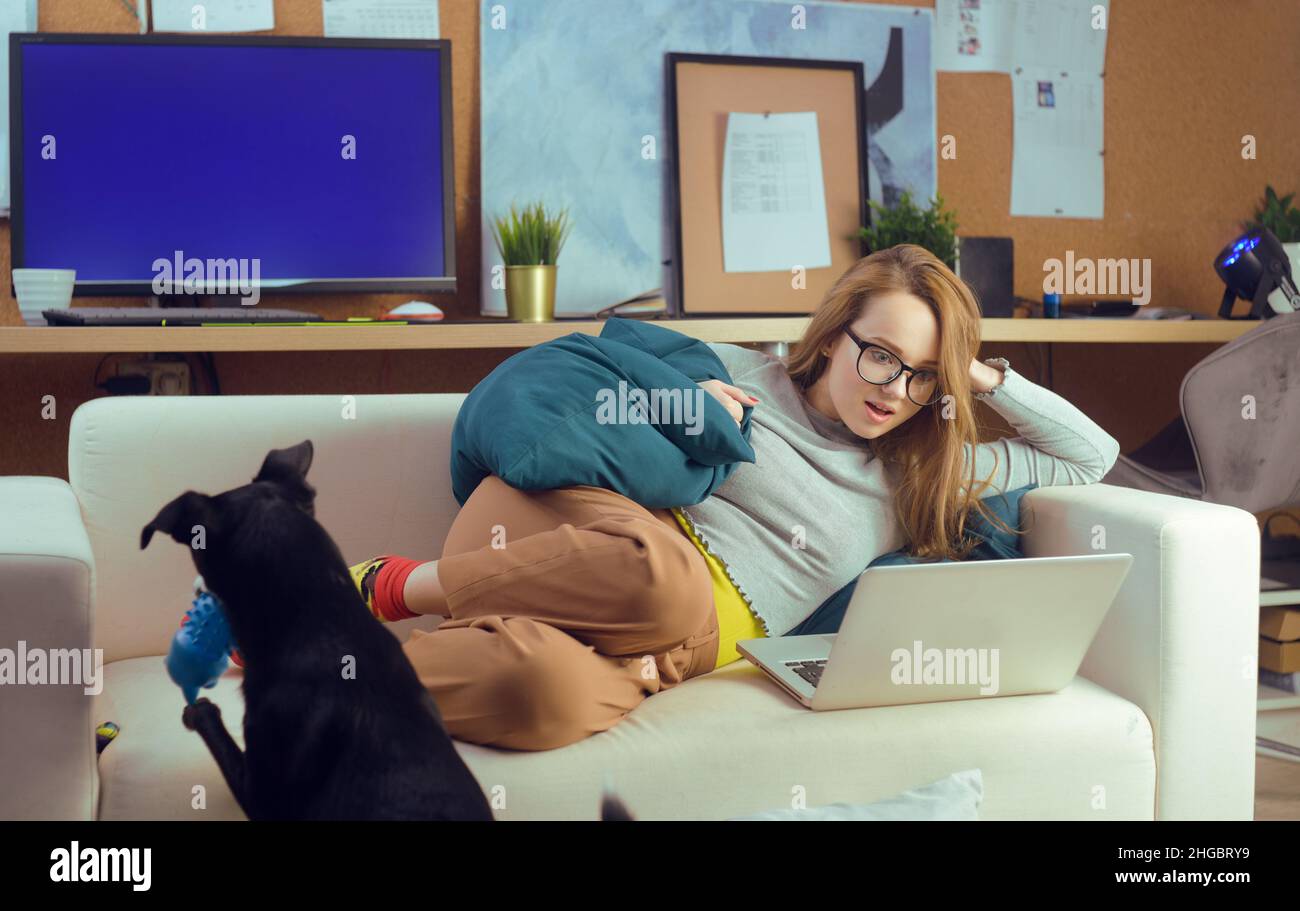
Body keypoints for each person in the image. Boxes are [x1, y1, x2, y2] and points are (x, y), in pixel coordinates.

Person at [347, 244, 1121, 751]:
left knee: (540, 695)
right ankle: (388, 584)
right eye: (880, 356)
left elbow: (1091, 456)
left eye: (923, 376)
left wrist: (977, 372)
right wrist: (682, 402)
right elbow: (572, 386)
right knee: (671, 583)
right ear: (835, 333)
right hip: (547, 531)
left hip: (662, 651)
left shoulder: (914, 474)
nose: (896, 390)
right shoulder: (738, 374)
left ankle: (328, 658)